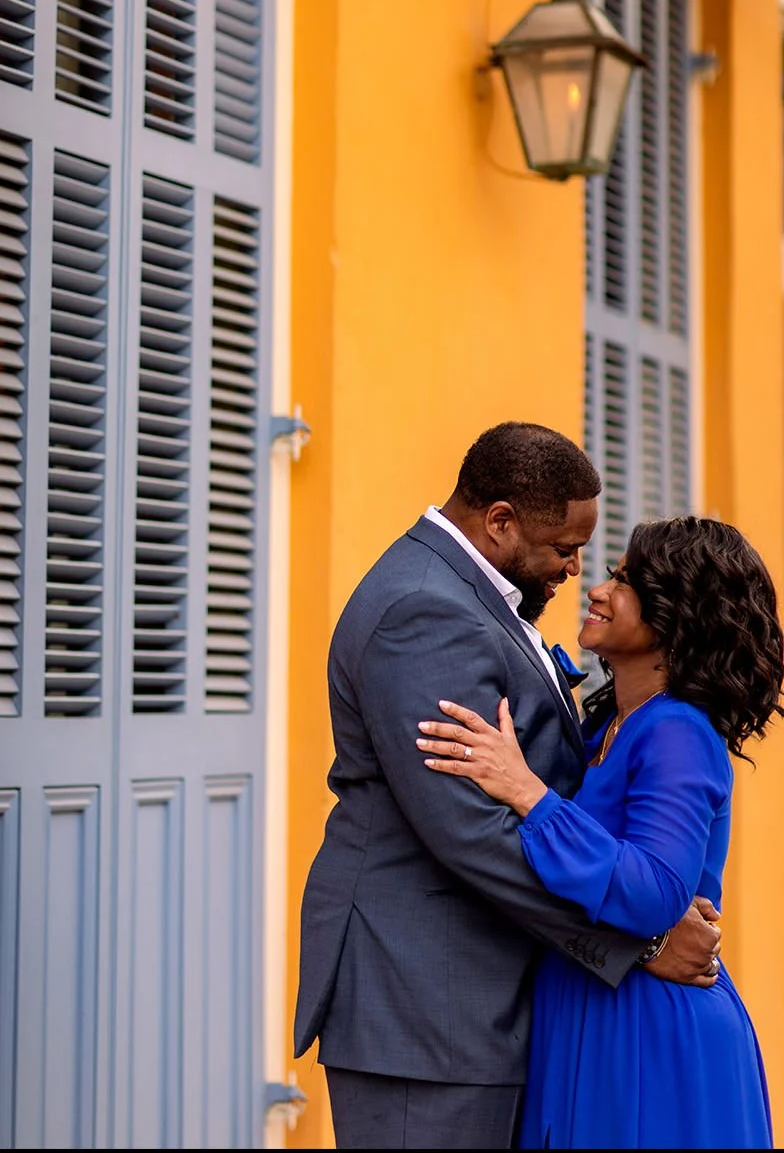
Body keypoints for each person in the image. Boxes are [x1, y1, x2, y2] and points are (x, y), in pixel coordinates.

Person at [293, 422, 721, 1149]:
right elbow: (470, 831)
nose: (576, 571)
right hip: (426, 1013)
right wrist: (639, 942)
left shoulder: (472, 595)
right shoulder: (423, 611)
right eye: (563, 549)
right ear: (500, 523)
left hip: (477, 1006)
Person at [415, 515, 783, 1148]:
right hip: (594, 1009)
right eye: (614, 573)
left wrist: (528, 794)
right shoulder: (612, 724)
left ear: (678, 619)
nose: (598, 589)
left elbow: (654, 891)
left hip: (648, 1033)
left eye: (628, 582)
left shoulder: (678, 732)